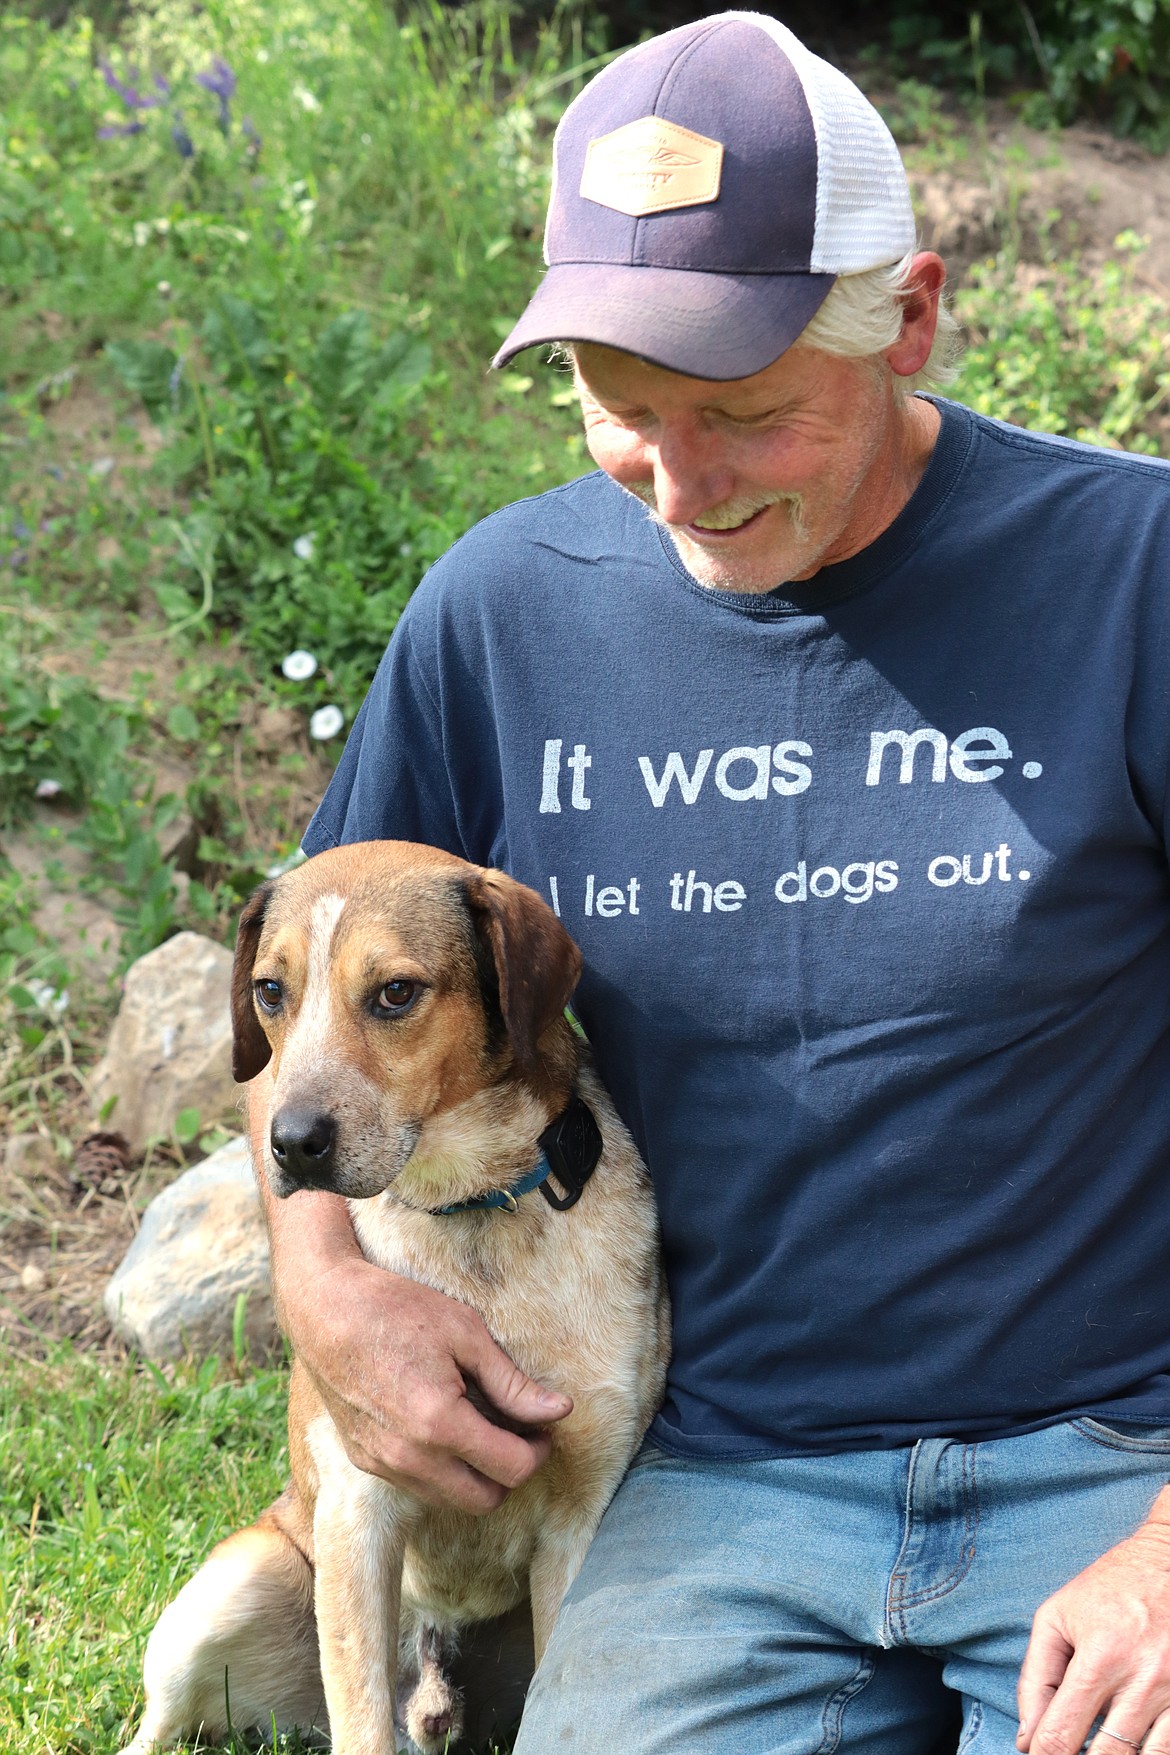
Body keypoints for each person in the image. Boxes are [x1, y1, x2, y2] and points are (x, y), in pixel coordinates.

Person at [257, 13, 1170, 1752]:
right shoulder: (502, 610)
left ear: (907, 316)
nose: (678, 485)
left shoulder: (1131, 575)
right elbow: (301, 984)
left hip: (1115, 1467)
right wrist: (325, 1279)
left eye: (745, 415)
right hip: (711, 1475)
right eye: (619, 409)